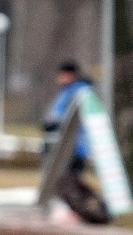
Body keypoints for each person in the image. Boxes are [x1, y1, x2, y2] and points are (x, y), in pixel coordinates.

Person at [45, 62, 109, 224]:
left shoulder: (79, 92)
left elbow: (67, 117)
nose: (60, 78)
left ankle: (75, 210)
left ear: (71, 75)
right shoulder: (68, 92)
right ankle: (70, 208)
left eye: (63, 74)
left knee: (71, 179)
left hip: (74, 146)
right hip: (65, 145)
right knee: (67, 179)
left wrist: (54, 123)